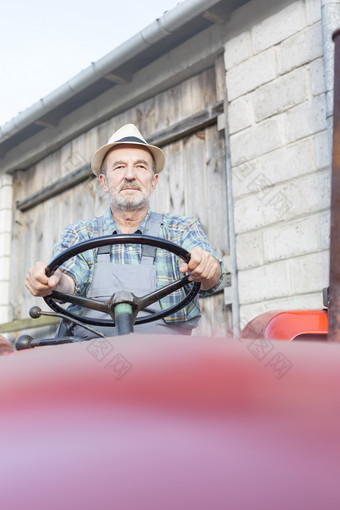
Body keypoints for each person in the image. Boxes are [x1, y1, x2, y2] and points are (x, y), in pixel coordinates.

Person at [25, 124, 223, 337]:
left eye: (141, 167)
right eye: (119, 167)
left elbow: (210, 280)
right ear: (104, 182)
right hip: (89, 361)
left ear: (153, 181)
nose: (130, 175)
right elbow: (67, 282)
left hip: (167, 361)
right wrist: (51, 279)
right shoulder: (79, 235)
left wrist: (207, 267)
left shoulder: (181, 229)